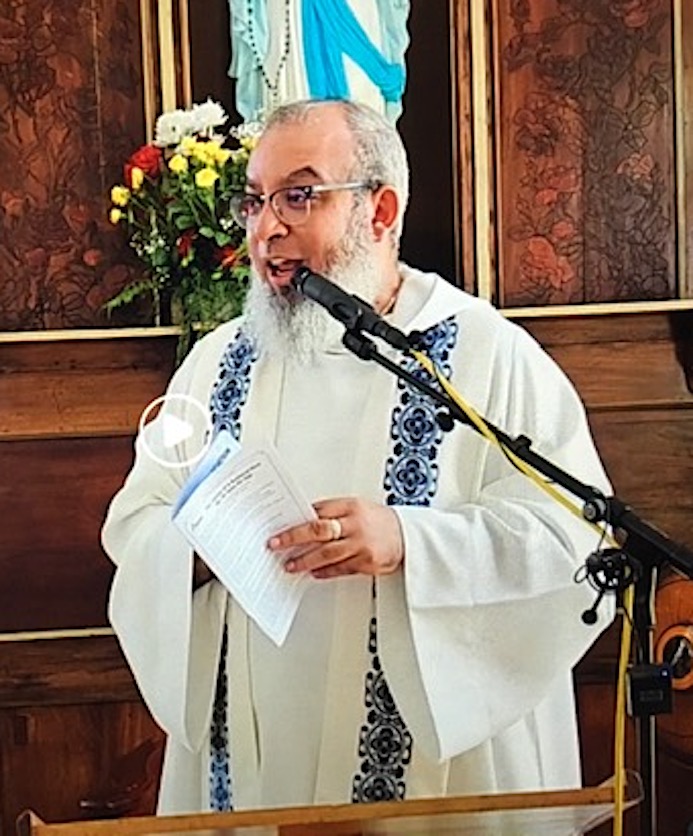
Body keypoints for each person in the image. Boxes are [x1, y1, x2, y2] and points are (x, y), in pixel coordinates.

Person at [102, 98, 613, 815]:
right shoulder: (217, 365)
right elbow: (136, 521)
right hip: (254, 753)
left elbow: (576, 541)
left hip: (432, 777)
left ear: (380, 210)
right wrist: (199, 550)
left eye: (298, 196)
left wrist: (408, 541)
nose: (266, 227)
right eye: (253, 201)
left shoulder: (484, 355)